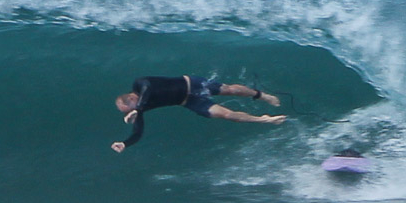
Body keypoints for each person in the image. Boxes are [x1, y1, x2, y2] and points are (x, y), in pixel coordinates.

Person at [111, 75, 285, 152]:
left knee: (229, 90)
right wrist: (125, 143)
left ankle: (262, 95)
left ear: (132, 99)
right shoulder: (139, 108)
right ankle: (263, 120)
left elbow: (148, 88)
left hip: (192, 84)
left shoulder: (140, 84)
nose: (132, 113)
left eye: (130, 109)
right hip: (190, 102)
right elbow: (138, 132)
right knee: (227, 115)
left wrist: (138, 109)